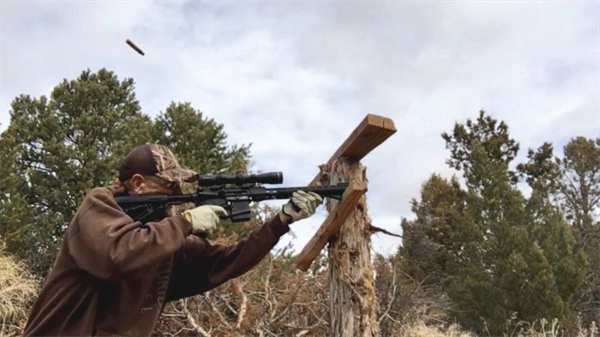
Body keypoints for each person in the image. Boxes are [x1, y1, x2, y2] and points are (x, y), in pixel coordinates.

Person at [22, 143, 323, 337]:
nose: (178, 195)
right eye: (170, 185)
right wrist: (186, 222)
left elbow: (226, 261)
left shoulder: (162, 238)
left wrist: (281, 221)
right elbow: (119, 254)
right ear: (138, 184)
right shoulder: (98, 206)